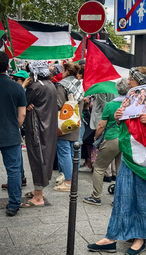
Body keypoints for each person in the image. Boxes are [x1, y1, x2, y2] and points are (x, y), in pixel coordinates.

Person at [87, 67, 146, 254]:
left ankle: (140, 237)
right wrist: (119, 118)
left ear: (140, 81)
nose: (127, 82)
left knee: (143, 195)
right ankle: (112, 236)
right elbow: (125, 127)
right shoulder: (129, 100)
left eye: (131, 79)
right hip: (129, 156)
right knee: (123, 195)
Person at [83, 78, 129, 206]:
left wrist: (96, 137)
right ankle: (119, 200)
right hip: (124, 138)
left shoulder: (110, 105)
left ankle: (96, 196)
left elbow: (101, 126)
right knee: (121, 170)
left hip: (111, 138)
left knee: (99, 167)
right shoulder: (131, 104)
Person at [0, 51, 26, 216]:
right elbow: (22, 115)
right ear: (7, 67)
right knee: (13, 171)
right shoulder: (17, 87)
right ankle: (13, 204)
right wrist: (13, 126)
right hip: (10, 135)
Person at [21, 61, 57, 207]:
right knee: (44, 158)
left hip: (36, 127)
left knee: (37, 159)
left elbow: (20, 102)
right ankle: (38, 190)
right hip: (48, 128)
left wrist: (23, 86)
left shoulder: (34, 87)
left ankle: (38, 197)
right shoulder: (51, 85)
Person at [54, 62, 84, 192]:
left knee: (64, 151)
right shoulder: (80, 85)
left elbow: (58, 104)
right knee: (73, 153)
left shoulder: (62, 85)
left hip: (64, 124)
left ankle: (68, 182)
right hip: (76, 121)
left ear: (66, 70)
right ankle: (73, 180)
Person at [1, 70, 31, 190]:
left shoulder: (25, 90)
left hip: (14, 127)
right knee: (16, 158)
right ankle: (21, 178)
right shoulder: (16, 88)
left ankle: (19, 179)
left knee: (14, 162)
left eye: (16, 79)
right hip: (13, 127)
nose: (14, 81)